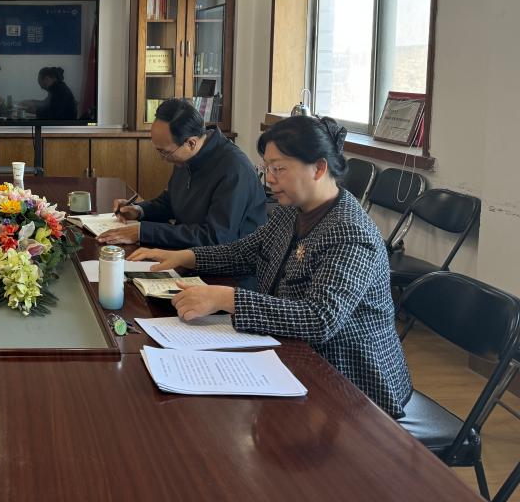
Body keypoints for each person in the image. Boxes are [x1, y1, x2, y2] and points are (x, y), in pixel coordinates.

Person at [130, 115, 412, 418]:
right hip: (295, 356)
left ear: (319, 168)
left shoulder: (350, 233)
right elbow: (245, 252)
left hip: (352, 384)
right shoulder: (292, 212)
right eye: (267, 168)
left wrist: (227, 298)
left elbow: (320, 318)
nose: (269, 180)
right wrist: (185, 256)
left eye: (279, 169)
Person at [98, 98, 266, 248]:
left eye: (164, 152)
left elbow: (216, 237)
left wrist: (143, 233)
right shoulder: (188, 155)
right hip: (187, 254)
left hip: (227, 268)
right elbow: (171, 202)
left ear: (191, 143)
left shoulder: (234, 170)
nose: (162, 158)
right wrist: (138, 210)